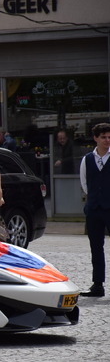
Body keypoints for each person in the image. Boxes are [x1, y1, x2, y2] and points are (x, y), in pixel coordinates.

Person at [79, 122, 110, 297]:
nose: (107, 140)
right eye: (104, 137)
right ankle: (97, 285)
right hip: (94, 208)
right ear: (95, 139)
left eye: (109, 137)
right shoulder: (87, 159)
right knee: (96, 247)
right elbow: (85, 184)